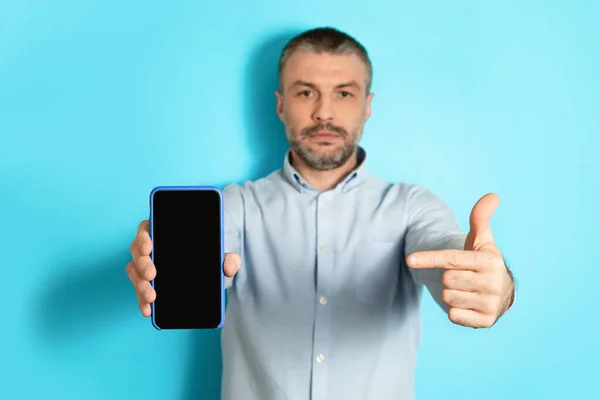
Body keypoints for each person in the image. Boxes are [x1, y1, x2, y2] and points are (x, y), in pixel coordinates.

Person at [126, 26, 516, 400]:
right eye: (306, 92)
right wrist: (159, 267)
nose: (324, 113)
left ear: (368, 106)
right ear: (281, 104)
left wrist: (490, 285)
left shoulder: (412, 206)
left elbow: (444, 250)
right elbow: (204, 262)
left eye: (344, 94)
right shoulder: (235, 206)